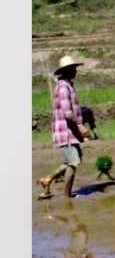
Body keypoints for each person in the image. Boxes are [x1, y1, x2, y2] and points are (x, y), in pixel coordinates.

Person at [38, 55, 90, 200]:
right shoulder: (63, 86)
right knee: (73, 163)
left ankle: (48, 180)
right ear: (67, 70)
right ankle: (67, 196)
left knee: (74, 160)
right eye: (74, 69)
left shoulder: (67, 84)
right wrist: (80, 126)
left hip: (70, 131)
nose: (76, 71)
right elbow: (67, 111)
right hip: (66, 132)